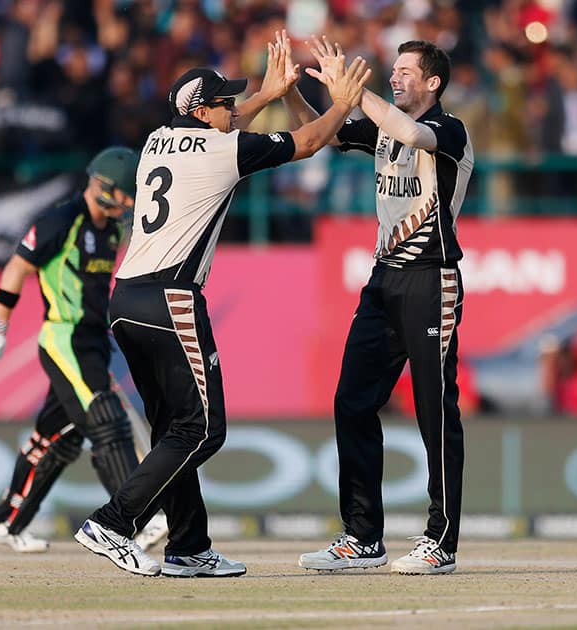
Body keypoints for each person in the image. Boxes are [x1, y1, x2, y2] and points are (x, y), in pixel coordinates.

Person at [73, 33, 370, 577]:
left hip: (128, 298)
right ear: (202, 110)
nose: (235, 108)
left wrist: (266, 94)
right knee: (204, 430)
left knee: (175, 433)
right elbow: (305, 143)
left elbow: (218, 130)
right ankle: (114, 522)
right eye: (225, 102)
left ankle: (188, 547)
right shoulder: (219, 149)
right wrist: (343, 107)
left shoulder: (155, 142)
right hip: (171, 297)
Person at [293, 36, 473, 575]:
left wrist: (356, 91)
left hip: (430, 279)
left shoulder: (449, 129)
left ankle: (439, 541)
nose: (394, 78)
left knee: (433, 411)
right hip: (382, 282)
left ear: (432, 82)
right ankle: (363, 537)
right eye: (390, 72)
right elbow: (320, 133)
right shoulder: (379, 124)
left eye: (404, 72)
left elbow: (410, 132)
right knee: (351, 401)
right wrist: (292, 93)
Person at [0, 146, 166, 553]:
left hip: (93, 341)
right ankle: (137, 521)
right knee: (106, 421)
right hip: (66, 339)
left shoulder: (110, 229)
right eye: (127, 194)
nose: (131, 203)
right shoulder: (62, 220)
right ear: (104, 187)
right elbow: (17, 266)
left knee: (58, 439)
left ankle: (6, 520)